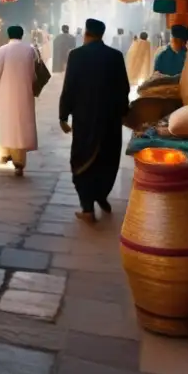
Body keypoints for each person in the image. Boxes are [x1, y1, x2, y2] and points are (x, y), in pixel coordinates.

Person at [59, 19, 130, 223]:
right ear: (102, 34)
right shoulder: (115, 56)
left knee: (82, 159)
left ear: (86, 34)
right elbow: (124, 87)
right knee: (107, 159)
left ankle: (88, 207)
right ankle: (101, 195)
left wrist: (63, 115)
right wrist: (123, 111)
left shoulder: (76, 55)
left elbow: (69, 87)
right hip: (110, 120)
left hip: (85, 120)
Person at [0, 25, 39, 176]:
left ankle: (6, 152)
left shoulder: (3, 50)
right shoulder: (30, 50)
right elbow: (35, 74)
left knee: (7, 124)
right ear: (22, 35)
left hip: (6, 94)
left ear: (8, 35)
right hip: (24, 93)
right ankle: (19, 162)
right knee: (21, 126)